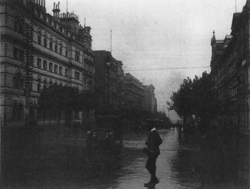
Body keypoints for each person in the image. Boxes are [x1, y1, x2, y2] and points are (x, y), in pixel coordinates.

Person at [143, 122, 162, 186]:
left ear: (150, 126)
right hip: (152, 152)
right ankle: (153, 179)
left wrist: (152, 146)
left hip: (153, 152)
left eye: (147, 125)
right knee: (150, 165)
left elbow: (159, 141)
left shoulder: (154, 132)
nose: (146, 126)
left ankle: (153, 180)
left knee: (150, 165)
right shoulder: (153, 132)